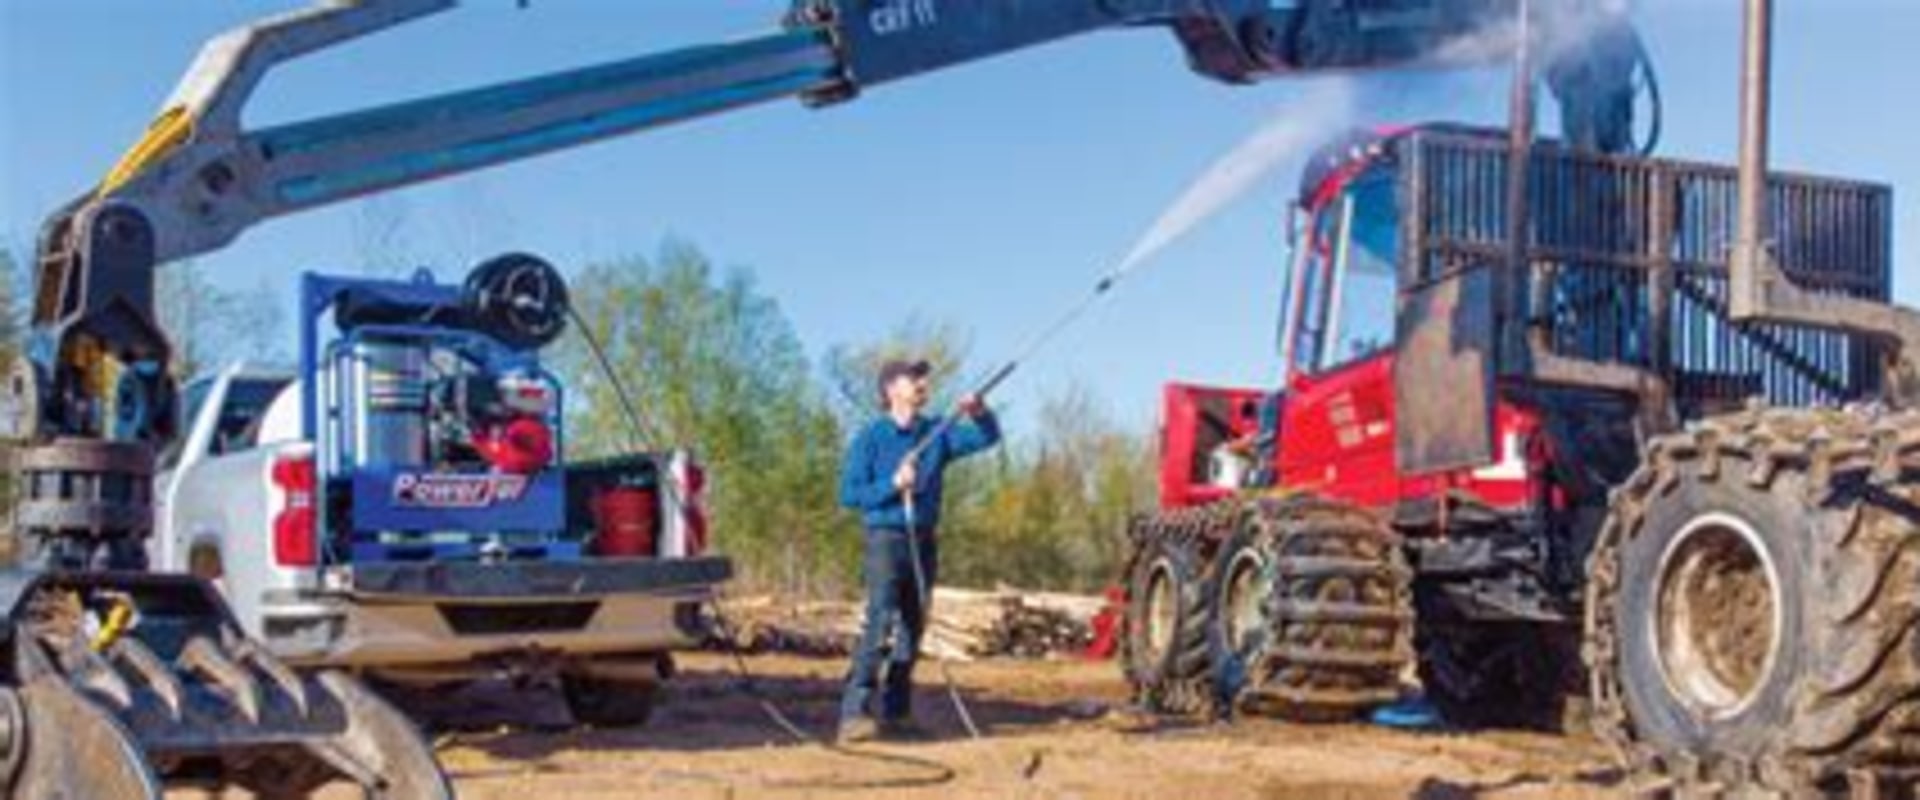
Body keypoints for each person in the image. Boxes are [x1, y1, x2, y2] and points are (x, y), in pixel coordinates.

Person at [836, 358, 1001, 742]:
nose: (923, 383)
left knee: (913, 626)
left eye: (923, 378)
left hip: (923, 538)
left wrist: (980, 413)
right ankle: (854, 713)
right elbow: (850, 494)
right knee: (880, 622)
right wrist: (892, 485)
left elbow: (987, 438)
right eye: (914, 378)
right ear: (891, 389)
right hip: (885, 539)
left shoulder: (937, 432)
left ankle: (897, 712)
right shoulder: (870, 438)